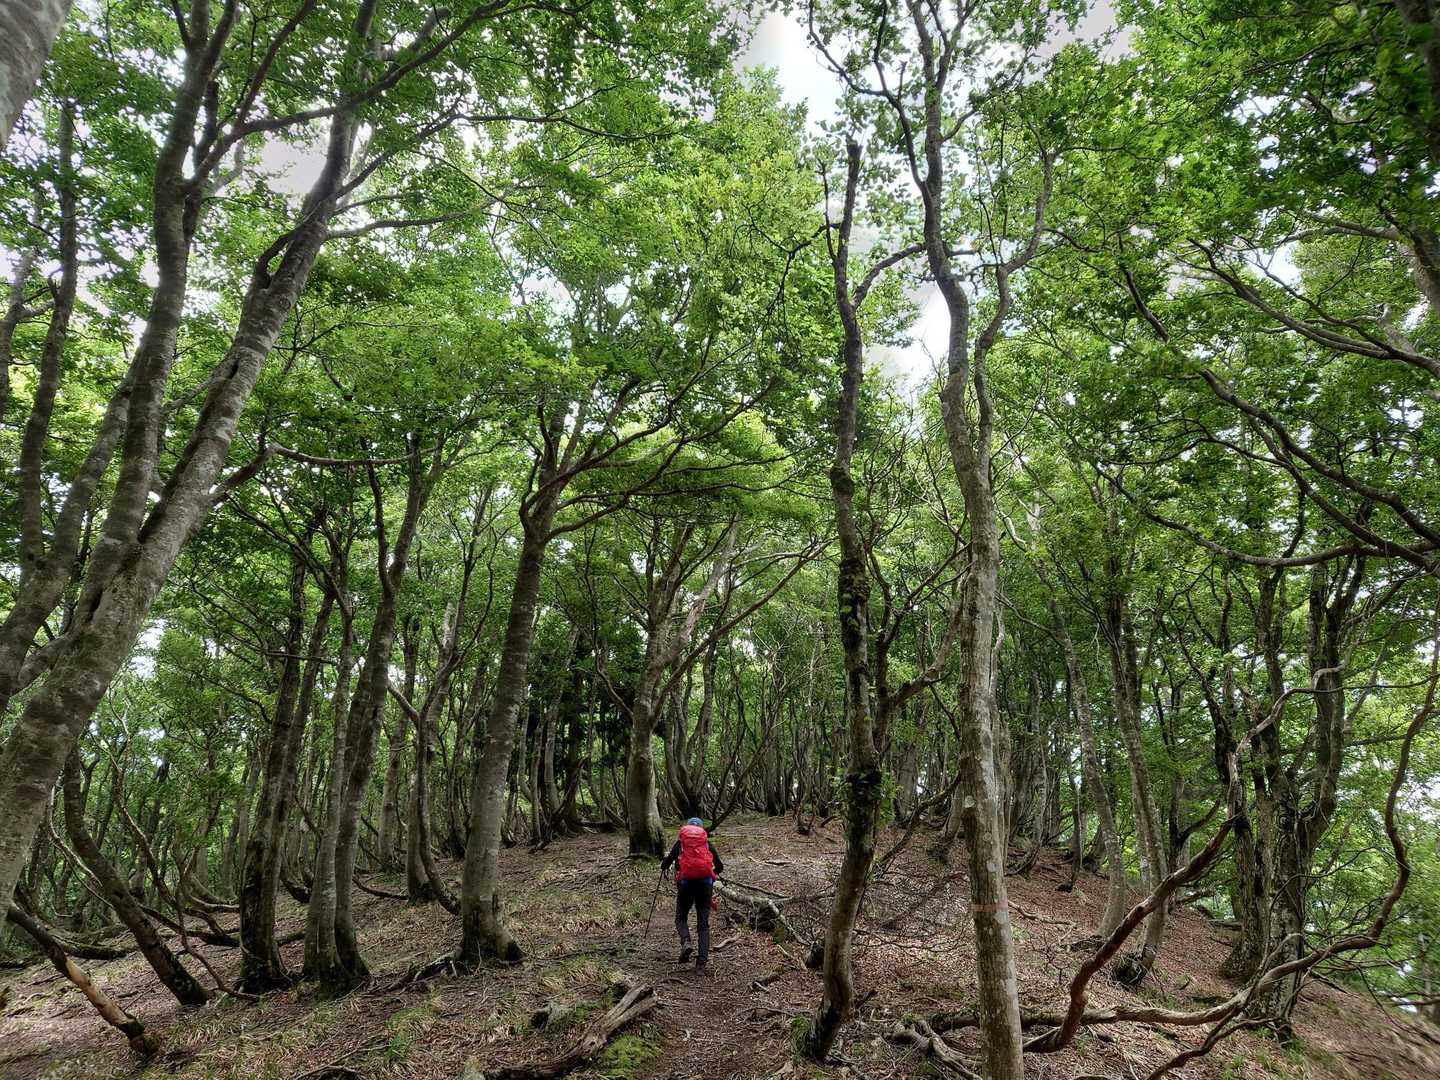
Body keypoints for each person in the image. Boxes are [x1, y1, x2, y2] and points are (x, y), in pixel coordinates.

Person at [660, 817, 723, 975]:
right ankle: (701, 965)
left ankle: (686, 941)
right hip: (705, 885)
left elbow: (666, 863)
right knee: (703, 924)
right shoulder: (706, 843)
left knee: (680, 917)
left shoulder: (681, 843)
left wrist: (664, 865)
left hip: (686, 884)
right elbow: (720, 866)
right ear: (701, 830)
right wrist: (712, 874)